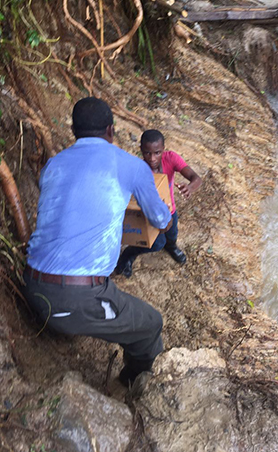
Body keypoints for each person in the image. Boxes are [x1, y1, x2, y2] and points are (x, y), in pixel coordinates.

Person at [23, 97, 171, 386]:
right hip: (74, 300)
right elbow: (160, 219)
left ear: (73, 130)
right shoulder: (129, 165)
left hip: (31, 286)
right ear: (111, 131)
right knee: (151, 323)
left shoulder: (53, 165)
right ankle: (132, 383)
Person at [115, 130, 202, 278]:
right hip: (149, 215)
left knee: (172, 233)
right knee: (156, 243)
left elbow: (196, 178)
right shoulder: (138, 170)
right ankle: (129, 253)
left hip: (170, 210)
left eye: (157, 152)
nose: (152, 158)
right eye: (147, 153)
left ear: (163, 149)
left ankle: (172, 247)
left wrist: (190, 187)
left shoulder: (170, 158)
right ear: (141, 150)